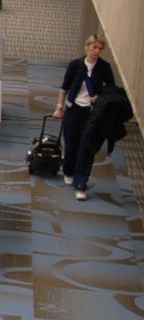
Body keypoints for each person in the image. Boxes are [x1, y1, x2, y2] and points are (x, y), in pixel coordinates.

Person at [55, 35, 115, 201]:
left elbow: (111, 91)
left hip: (92, 114)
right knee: (71, 145)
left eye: (100, 49)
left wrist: (99, 96)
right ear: (87, 47)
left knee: (86, 148)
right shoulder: (76, 65)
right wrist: (59, 108)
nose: (97, 51)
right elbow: (64, 88)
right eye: (94, 47)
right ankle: (68, 170)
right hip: (74, 110)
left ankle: (81, 184)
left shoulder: (104, 67)